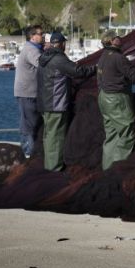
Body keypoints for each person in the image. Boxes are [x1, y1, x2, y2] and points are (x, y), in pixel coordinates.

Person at [37, 32, 96, 171]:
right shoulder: (58, 59)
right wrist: (95, 68)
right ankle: (54, 168)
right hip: (56, 104)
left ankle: (49, 166)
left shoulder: (44, 58)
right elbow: (79, 72)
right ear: (62, 44)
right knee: (56, 138)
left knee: (49, 136)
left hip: (44, 103)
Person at [97, 31, 135, 170]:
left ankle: (107, 168)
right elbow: (133, 75)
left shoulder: (103, 57)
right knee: (126, 132)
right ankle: (118, 169)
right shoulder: (118, 57)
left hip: (104, 97)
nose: (120, 38)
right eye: (117, 37)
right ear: (111, 41)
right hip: (117, 98)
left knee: (111, 134)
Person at [14, 25, 44, 158]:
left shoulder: (32, 49)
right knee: (29, 127)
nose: (42, 36)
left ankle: (30, 153)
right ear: (32, 36)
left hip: (28, 93)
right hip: (28, 94)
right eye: (40, 34)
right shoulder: (31, 50)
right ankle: (28, 155)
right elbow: (43, 64)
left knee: (31, 125)